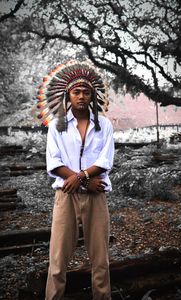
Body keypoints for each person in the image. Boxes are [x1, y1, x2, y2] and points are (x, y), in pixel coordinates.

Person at [35, 60, 114, 300]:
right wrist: (83, 181)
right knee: (58, 260)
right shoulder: (56, 127)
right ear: (68, 95)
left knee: (100, 260)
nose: (81, 96)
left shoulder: (105, 126)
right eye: (76, 92)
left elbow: (105, 160)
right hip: (65, 196)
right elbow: (54, 162)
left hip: (96, 196)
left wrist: (82, 177)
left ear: (93, 96)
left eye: (86, 92)